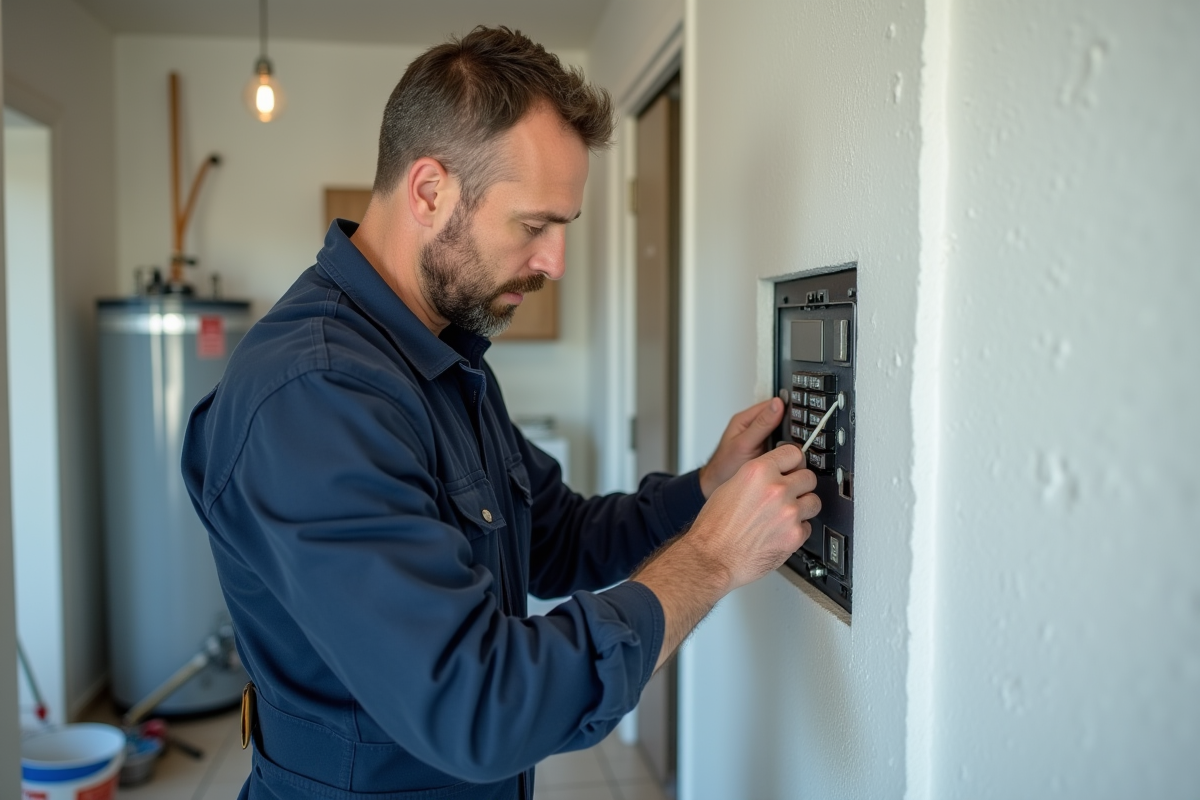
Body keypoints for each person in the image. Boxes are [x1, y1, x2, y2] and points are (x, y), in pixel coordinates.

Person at [181, 25, 819, 800]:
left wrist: (704, 494)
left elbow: (553, 538)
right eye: (533, 225)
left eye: (563, 229)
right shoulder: (314, 396)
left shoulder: (440, 357)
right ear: (429, 191)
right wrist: (711, 559)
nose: (554, 262)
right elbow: (478, 705)